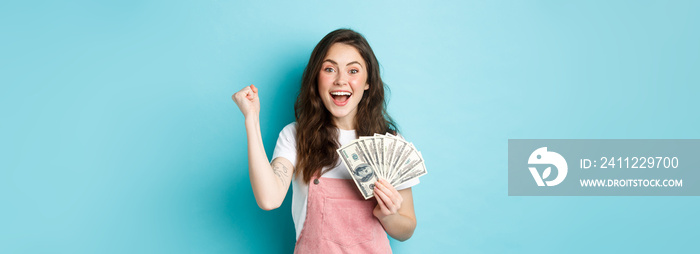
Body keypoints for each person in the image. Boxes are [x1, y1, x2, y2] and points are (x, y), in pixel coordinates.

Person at [232, 28, 418, 253]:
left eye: (353, 71)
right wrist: (251, 120)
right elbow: (268, 199)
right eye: (329, 69)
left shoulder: (389, 142)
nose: (341, 80)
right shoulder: (295, 135)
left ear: (368, 82)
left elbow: (407, 228)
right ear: (316, 79)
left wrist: (389, 215)